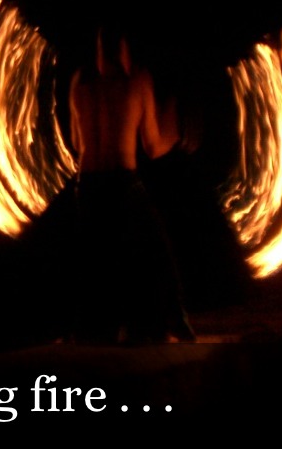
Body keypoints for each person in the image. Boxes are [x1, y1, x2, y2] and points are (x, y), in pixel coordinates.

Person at [67, 20, 197, 344]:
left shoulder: (79, 83)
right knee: (157, 250)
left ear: (99, 52)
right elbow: (153, 146)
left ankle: (92, 330)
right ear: (124, 52)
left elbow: (76, 142)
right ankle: (177, 322)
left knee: (97, 260)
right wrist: (176, 132)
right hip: (122, 183)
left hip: (87, 185)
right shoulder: (138, 81)